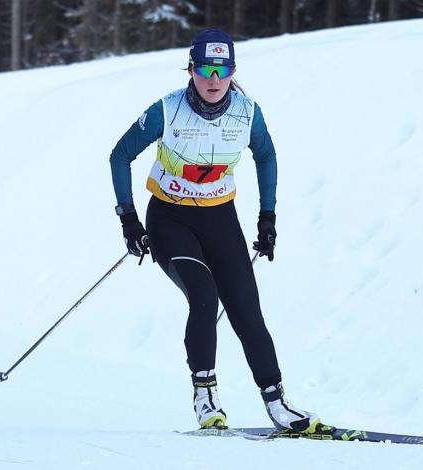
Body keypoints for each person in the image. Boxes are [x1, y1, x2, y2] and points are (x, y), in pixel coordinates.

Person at [108, 29, 320, 433]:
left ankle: (277, 402)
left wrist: (267, 217)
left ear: (232, 71)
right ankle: (206, 398)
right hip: (170, 219)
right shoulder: (166, 110)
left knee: (246, 310)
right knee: (204, 297)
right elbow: (120, 155)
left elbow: (267, 156)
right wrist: (128, 220)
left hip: (221, 219)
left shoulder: (247, 111)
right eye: (205, 69)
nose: (212, 79)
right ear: (190, 69)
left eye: (221, 70)